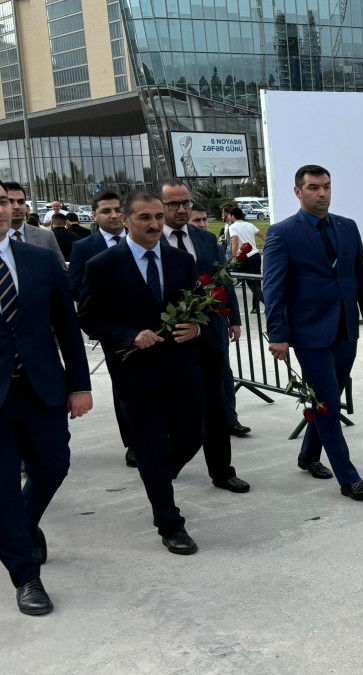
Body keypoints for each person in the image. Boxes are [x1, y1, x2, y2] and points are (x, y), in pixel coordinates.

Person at [77, 190, 205, 555]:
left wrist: (197, 327)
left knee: (191, 436)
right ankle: (169, 521)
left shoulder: (181, 261)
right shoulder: (102, 265)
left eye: (158, 218)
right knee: (149, 447)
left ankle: (159, 475)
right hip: (135, 374)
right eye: (145, 218)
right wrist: (128, 334)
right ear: (126, 220)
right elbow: (88, 317)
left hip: (182, 369)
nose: (154, 224)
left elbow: (197, 306)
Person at [262, 164, 363, 500]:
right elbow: (273, 288)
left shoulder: (347, 227)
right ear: (298, 192)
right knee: (328, 403)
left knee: (328, 399)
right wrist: (278, 334)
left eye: (327, 186)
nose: (322, 194)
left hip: (346, 328)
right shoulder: (282, 233)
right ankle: (349, 478)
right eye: (314, 187)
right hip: (309, 332)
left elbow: (362, 276)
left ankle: (308, 455)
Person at [0, 187, 92, 615]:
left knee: (54, 466)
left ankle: (19, 522)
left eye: (3, 202)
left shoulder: (39, 260)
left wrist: (80, 384)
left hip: (42, 389)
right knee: (2, 489)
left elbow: (67, 327)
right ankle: (26, 576)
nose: (2, 210)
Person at [160, 180, 251, 492]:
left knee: (216, 409)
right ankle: (168, 463)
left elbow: (221, 282)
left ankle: (222, 472)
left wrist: (233, 319)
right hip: (166, 344)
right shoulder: (149, 240)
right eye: (173, 204)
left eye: (185, 202)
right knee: (179, 415)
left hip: (207, 338)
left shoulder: (204, 238)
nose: (182, 209)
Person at [69, 190, 136, 466]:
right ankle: (133, 442)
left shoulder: (140, 239)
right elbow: (74, 286)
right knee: (124, 387)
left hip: (151, 325)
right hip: (113, 330)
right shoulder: (85, 247)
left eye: (117, 209)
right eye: (105, 211)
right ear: (94, 216)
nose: (112, 215)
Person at [191, 205, 251, 437]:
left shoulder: (212, 244)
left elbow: (225, 281)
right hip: (187, 322)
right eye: (197, 220)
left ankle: (230, 418)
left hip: (216, 320)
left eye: (205, 219)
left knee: (224, 372)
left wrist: (234, 319)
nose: (203, 225)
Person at [4, 184, 65, 268]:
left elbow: (61, 270)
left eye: (21, 202)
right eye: (10, 201)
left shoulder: (46, 236)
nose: (17, 206)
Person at [226, 207, 263, 312]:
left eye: (229, 215)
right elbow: (262, 236)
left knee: (251, 284)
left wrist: (233, 258)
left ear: (233, 216)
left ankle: (268, 303)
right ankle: (255, 307)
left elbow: (235, 242)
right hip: (256, 255)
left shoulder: (233, 227)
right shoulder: (249, 225)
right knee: (257, 282)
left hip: (245, 256)